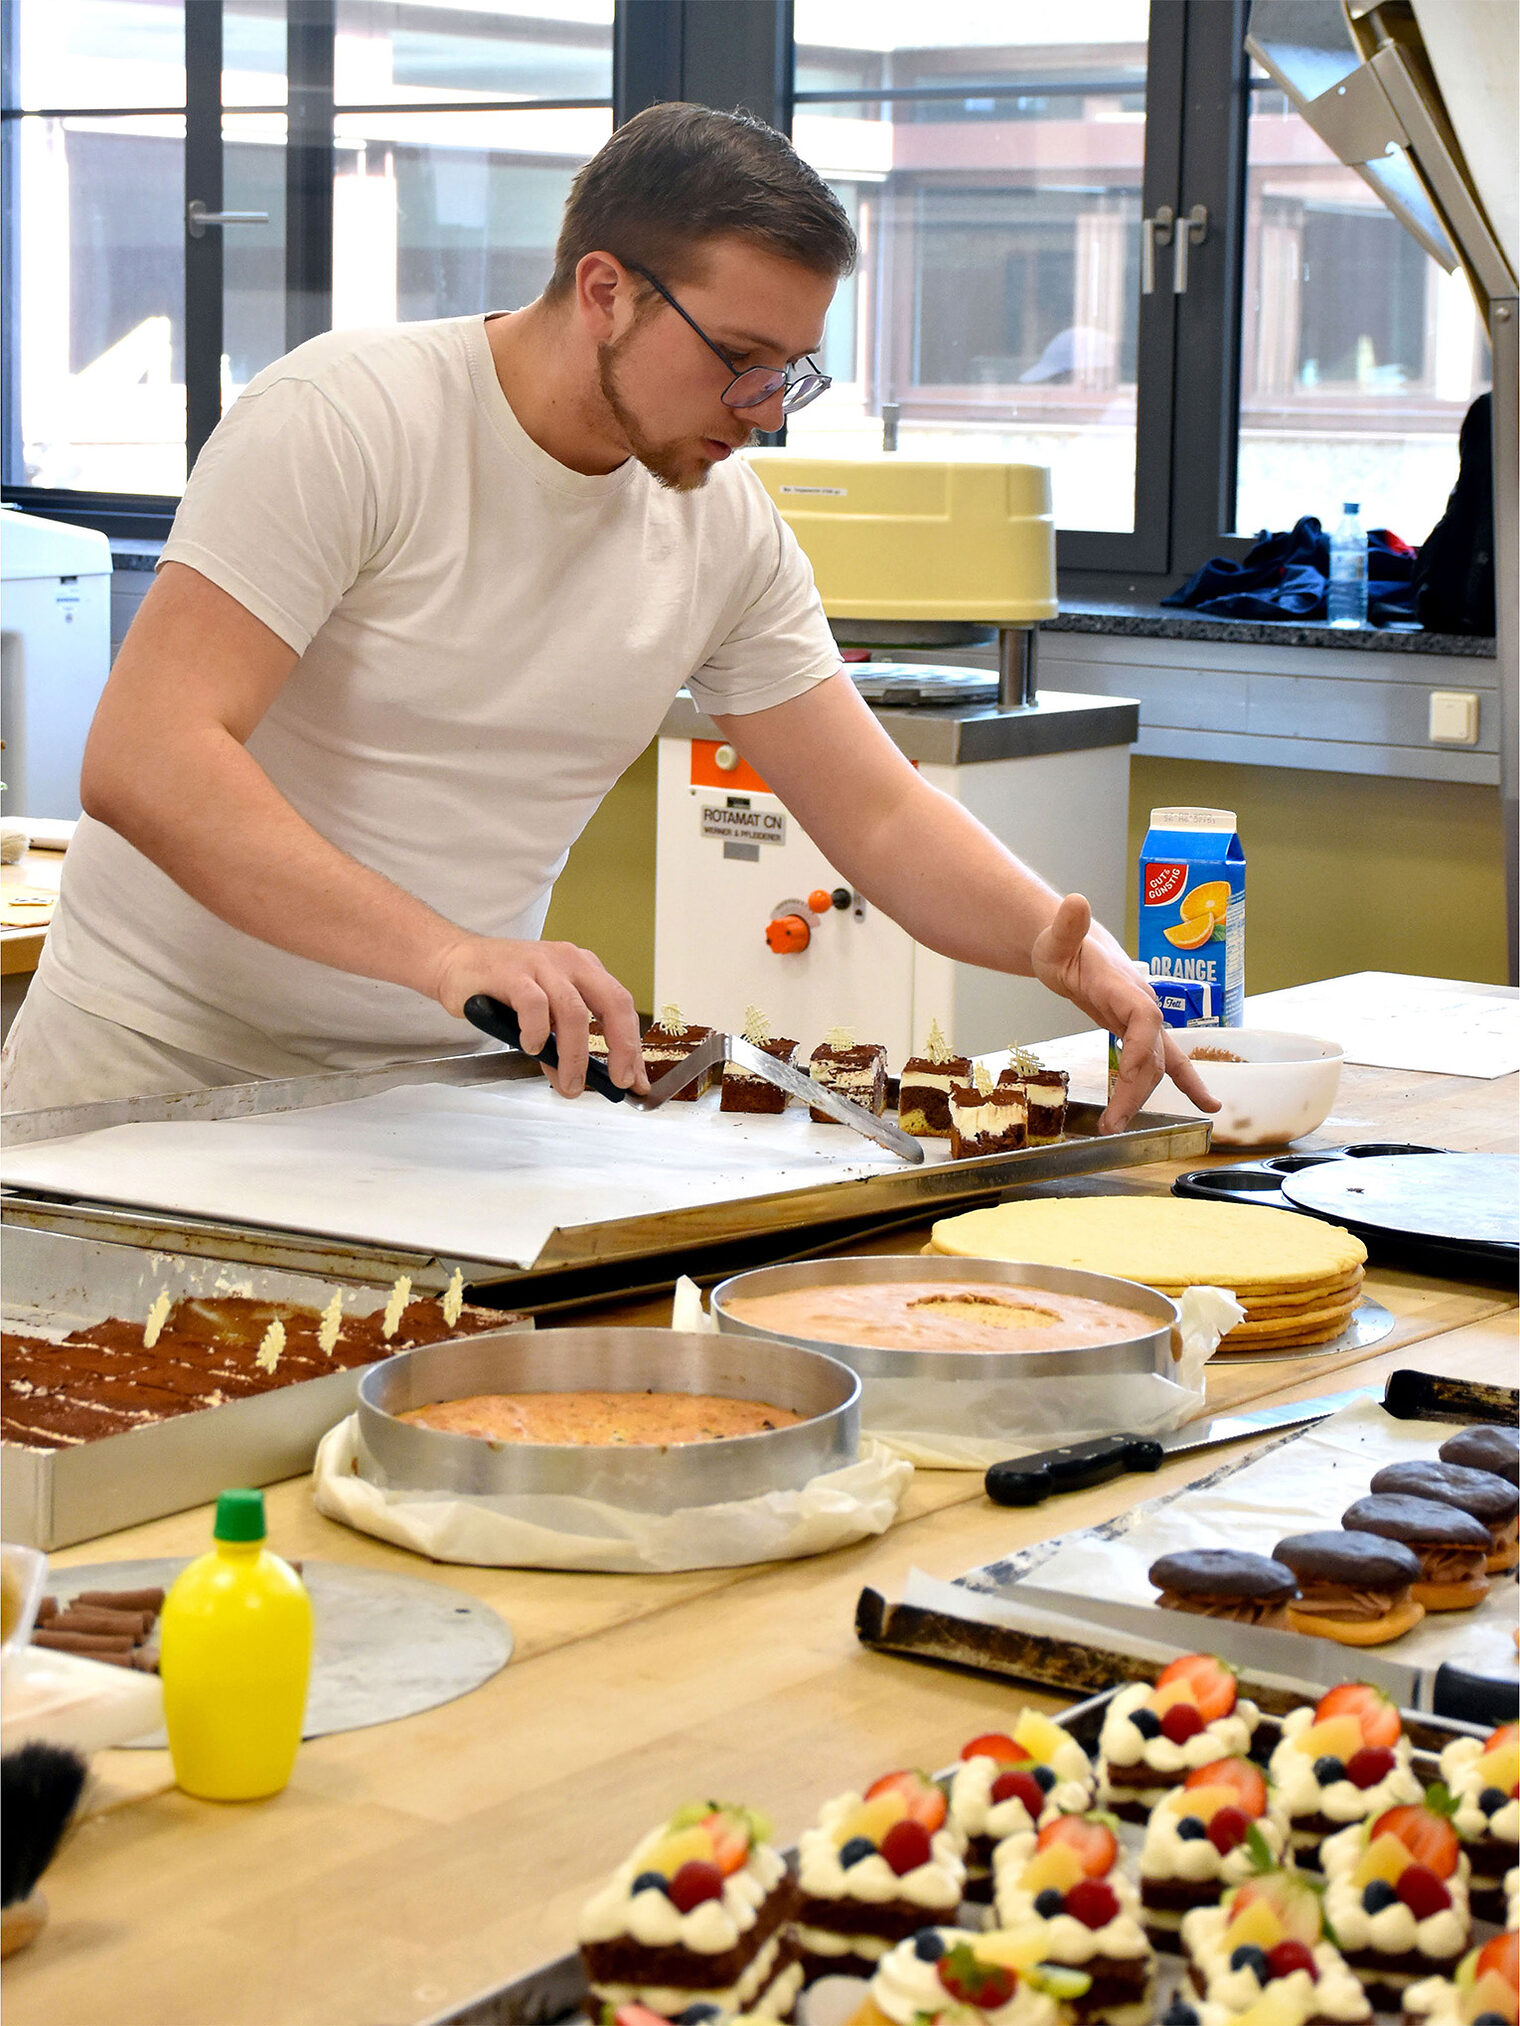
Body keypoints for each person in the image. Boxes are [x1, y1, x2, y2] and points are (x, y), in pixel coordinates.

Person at [1, 103, 1215, 1135]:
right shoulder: (347, 419)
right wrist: (446, 952)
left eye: (790, 369)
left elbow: (881, 811)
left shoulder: (719, 524)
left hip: (429, 1096)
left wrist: (1055, 947)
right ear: (603, 291)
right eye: (740, 355)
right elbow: (149, 759)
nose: (765, 411)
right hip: (147, 1077)